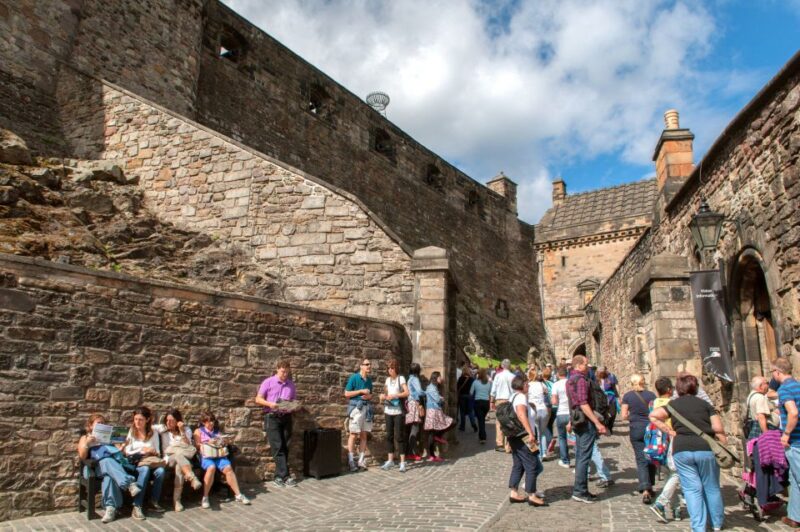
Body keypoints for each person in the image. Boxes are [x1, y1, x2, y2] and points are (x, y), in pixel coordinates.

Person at [649, 373, 726, 532]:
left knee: (692, 489)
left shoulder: (673, 405)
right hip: (705, 449)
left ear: (678, 389)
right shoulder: (705, 405)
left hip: (682, 450)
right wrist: (722, 442)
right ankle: (717, 523)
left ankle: (698, 527)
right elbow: (718, 429)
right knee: (711, 486)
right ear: (695, 387)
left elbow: (654, 415)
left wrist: (668, 430)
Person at [77, 414, 140, 523]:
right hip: (93, 468)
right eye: (98, 423)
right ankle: (129, 483)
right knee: (107, 461)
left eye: (103, 423)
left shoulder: (108, 438)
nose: (101, 425)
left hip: (111, 469)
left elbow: (119, 454)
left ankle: (110, 509)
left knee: (109, 477)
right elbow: (82, 456)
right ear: (91, 426)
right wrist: (87, 443)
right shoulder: (85, 437)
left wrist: (123, 446)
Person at [740, 375, 784, 522]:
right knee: (763, 468)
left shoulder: (753, 396)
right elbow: (761, 417)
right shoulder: (760, 398)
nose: (768, 385)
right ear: (760, 386)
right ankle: (762, 499)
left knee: (757, 468)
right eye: (766, 383)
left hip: (756, 436)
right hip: (762, 436)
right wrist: (767, 437)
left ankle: (751, 494)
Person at [567, 354, 606, 504]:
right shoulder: (581, 380)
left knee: (581, 455)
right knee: (584, 456)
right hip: (585, 421)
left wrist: (571, 420)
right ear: (578, 365)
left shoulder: (570, 379)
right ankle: (580, 491)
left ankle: (580, 489)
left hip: (577, 419)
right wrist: (597, 422)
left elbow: (572, 403)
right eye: (585, 364)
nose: (587, 367)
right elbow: (583, 403)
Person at [194, 411, 250, 508]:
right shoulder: (198, 431)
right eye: (208, 421)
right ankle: (205, 497)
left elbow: (222, 443)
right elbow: (197, 445)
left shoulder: (217, 431)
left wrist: (224, 441)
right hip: (206, 456)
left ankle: (238, 494)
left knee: (228, 468)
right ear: (204, 422)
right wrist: (208, 442)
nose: (211, 423)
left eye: (212, 421)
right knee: (211, 468)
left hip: (218, 455)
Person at [255, 359, 298, 487]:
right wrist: (270, 404)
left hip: (286, 417)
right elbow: (258, 399)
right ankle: (284, 476)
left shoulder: (291, 384)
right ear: (277, 369)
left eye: (287, 372)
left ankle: (280, 476)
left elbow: (293, 400)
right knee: (277, 446)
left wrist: (294, 406)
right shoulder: (268, 382)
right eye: (282, 372)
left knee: (286, 446)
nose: (284, 374)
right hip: (272, 417)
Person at [507, 376, 547, 507]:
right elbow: (521, 414)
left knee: (518, 464)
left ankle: (514, 492)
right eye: (526, 384)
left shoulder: (512, 397)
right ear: (522, 385)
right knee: (532, 464)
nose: (528, 386)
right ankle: (532, 494)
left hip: (515, 436)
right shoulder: (520, 398)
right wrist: (530, 433)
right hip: (524, 436)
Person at [124, 407, 166, 520]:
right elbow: (127, 451)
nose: (137, 422)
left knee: (161, 471)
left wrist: (152, 451)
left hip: (150, 461)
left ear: (147, 420)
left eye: (140, 419)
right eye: (136, 419)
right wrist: (142, 450)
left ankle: (153, 501)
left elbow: (157, 451)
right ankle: (137, 506)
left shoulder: (153, 433)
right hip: (136, 463)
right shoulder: (132, 431)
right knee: (145, 469)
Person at [649, 377, 682, 523]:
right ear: (669, 390)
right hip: (671, 440)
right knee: (676, 474)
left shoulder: (652, 403)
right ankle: (661, 503)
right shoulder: (673, 404)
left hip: (657, 443)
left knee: (670, 476)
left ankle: (675, 509)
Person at [621, 373, 657, 503]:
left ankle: (645, 488)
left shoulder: (628, 396)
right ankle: (650, 485)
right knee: (652, 457)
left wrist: (634, 418)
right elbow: (656, 412)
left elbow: (624, 415)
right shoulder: (651, 395)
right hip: (650, 429)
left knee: (641, 459)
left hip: (636, 429)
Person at [157, 409, 202, 512]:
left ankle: (177, 501)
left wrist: (181, 430)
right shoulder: (163, 429)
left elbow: (187, 445)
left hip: (182, 460)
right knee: (178, 454)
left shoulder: (186, 430)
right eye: (167, 420)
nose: (168, 423)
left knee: (179, 465)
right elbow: (147, 426)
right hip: (168, 460)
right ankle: (192, 478)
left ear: (177, 421)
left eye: (171, 420)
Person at [774, 357, 800, 528]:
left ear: (778, 372)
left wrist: (786, 434)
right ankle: (795, 516)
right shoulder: (798, 385)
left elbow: (793, 413)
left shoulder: (784, 389)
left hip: (796, 441)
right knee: (794, 479)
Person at [344, 358, 374, 471]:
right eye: (366, 364)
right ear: (361, 366)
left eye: (369, 364)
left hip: (366, 408)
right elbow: (346, 393)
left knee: (364, 435)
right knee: (353, 434)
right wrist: (360, 391)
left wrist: (368, 396)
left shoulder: (369, 380)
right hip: (356, 408)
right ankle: (351, 461)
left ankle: (361, 461)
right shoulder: (354, 377)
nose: (369, 366)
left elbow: (370, 395)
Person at [380, 358, 409, 472]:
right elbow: (386, 393)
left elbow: (407, 392)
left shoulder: (400, 378)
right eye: (388, 368)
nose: (389, 370)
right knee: (389, 436)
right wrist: (383, 396)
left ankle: (402, 462)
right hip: (388, 410)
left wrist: (396, 395)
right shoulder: (387, 380)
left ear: (396, 368)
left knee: (399, 436)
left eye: (392, 368)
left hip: (397, 411)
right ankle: (390, 460)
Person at [424, 371, 453, 462]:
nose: (441, 379)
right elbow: (437, 399)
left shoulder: (433, 387)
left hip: (435, 411)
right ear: (436, 378)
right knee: (431, 434)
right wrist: (441, 399)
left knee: (451, 422)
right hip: (433, 412)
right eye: (440, 377)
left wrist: (440, 398)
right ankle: (432, 455)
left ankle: (437, 437)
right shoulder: (431, 388)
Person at [491, 359, 516, 452]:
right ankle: (508, 445)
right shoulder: (513, 376)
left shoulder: (498, 376)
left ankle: (500, 443)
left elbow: (494, 389)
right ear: (509, 366)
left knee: (499, 422)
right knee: (510, 421)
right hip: (510, 400)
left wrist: (491, 401)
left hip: (500, 399)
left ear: (502, 365)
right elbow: (515, 390)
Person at [527, 368, 552, 457]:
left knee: (532, 432)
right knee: (542, 433)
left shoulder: (528, 385)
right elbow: (546, 395)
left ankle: (535, 452)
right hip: (543, 409)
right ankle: (544, 453)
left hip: (534, 410)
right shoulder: (542, 385)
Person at [551, 366, 571, 468]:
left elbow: (554, 401)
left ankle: (565, 461)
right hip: (572, 413)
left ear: (558, 375)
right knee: (576, 438)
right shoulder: (571, 383)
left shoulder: (556, 384)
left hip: (561, 413)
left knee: (562, 438)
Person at [405, 363, 425, 461]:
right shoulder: (415, 379)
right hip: (414, 404)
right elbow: (420, 391)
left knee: (413, 428)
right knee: (415, 429)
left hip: (410, 403)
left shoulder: (409, 379)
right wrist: (427, 393)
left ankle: (411, 452)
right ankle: (411, 453)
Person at [471, 368, 493, 444]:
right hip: (486, 403)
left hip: (478, 402)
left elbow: (471, 392)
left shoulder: (475, 382)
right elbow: (490, 393)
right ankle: (482, 436)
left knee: (480, 420)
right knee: (482, 419)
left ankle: (483, 437)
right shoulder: (489, 383)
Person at [597, 366, 619, 434]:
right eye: (600, 373)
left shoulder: (610, 378)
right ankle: (604, 426)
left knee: (613, 414)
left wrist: (618, 397)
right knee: (602, 414)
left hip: (611, 398)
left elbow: (614, 387)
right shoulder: (596, 379)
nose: (602, 374)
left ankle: (610, 426)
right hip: (600, 399)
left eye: (603, 373)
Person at [457, 363, 478, 432]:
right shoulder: (472, 379)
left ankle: (462, 426)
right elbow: (474, 389)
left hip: (462, 396)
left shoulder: (460, 379)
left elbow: (457, 388)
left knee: (462, 411)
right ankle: (473, 425)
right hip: (470, 396)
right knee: (470, 411)